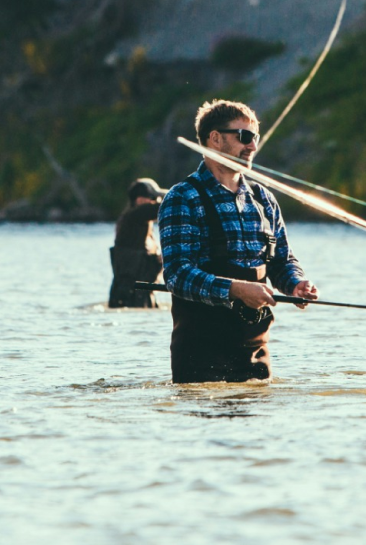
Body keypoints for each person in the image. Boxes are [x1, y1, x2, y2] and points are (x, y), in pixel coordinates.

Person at [158, 99, 317, 383]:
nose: (252, 146)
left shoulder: (264, 198)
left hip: (256, 353)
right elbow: (177, 275)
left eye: (255, 138)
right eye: (243, 137)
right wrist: (236, 289)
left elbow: (282, 260)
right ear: (215, 139)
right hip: (201, 355)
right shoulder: (182, 197)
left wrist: (295, 284)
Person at [109, 177, 166, 308]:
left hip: (139, 292)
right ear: (140, 200)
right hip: (130, 294)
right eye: (153, 198)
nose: (156, 201)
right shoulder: (135, 216)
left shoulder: (138, 222)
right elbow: (167, 205)